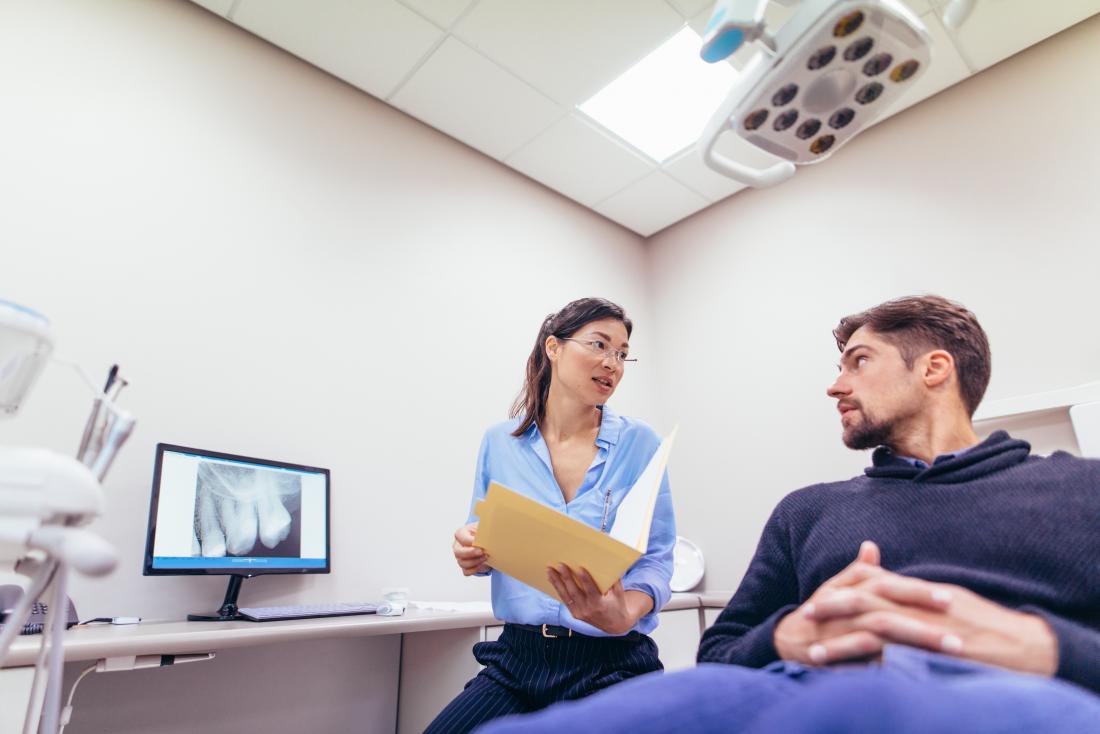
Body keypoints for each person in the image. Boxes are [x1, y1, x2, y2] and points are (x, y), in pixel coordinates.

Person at [478, 295, 1100, 733]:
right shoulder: (809, 512)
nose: (834, 386)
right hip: (787, 692)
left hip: (1000, 695)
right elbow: (718, 654)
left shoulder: (1079, 492)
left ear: (935, 368)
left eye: (858, 361)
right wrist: (785, 637)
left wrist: (1043, 645)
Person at [425, 297, 676, 733]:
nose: (612, 363)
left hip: (609, 663)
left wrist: (625, 614)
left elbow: (655, 558)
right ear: (553, 348)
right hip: (516, 662)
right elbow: (481, 539)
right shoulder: (499, 441)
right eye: (599, 345)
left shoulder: (640, 443)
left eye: (621, 353)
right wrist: (470, 550)